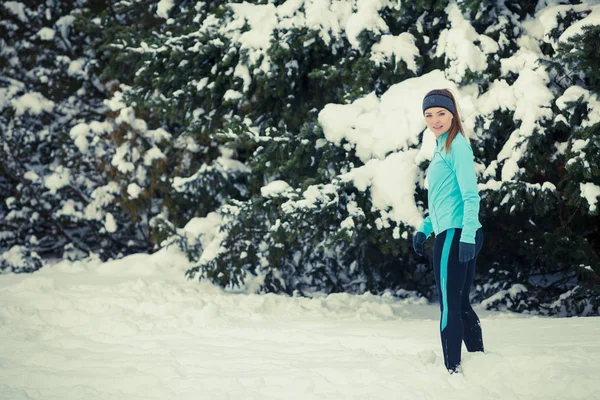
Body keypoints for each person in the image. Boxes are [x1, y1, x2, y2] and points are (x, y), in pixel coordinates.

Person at [412, 89, 485, 374]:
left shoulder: (456, 146)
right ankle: (480, 361)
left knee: (449, 306)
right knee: (460, 302)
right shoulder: (442, 146)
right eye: (428, 115)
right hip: (455, 230)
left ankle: (452, 371)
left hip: (458, 234)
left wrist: (466, 235)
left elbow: (470, 195)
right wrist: (425, 228)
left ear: (452, 113)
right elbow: (444, 199)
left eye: (440, 113)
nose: (434, 120)